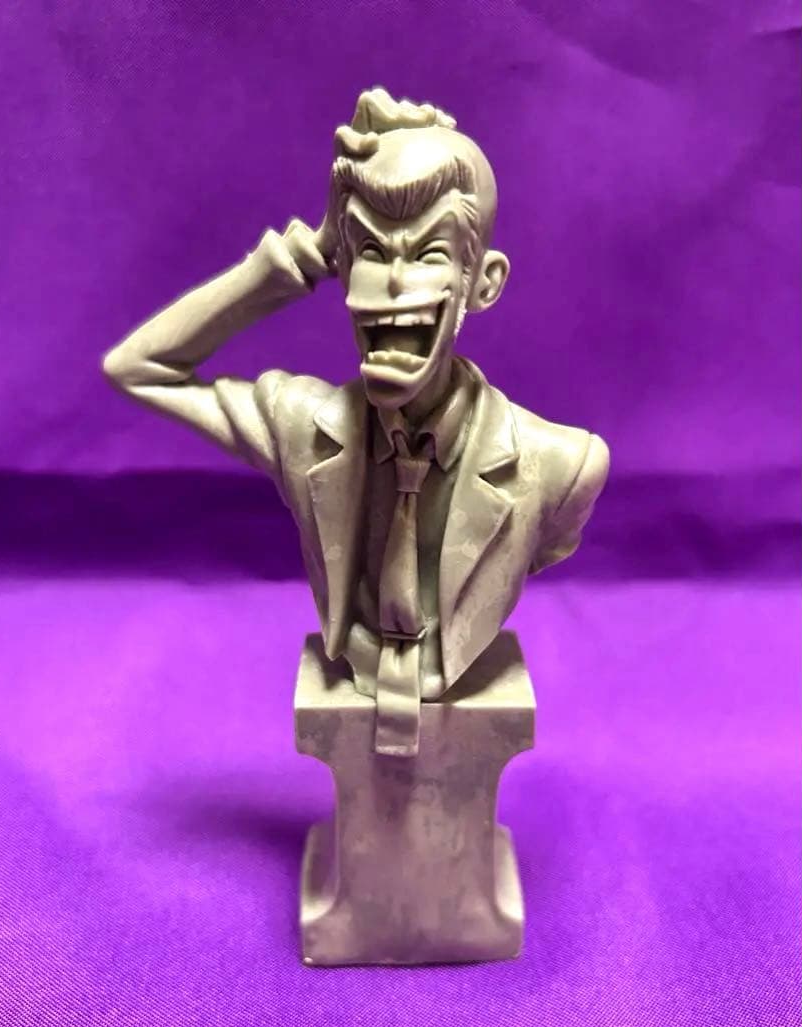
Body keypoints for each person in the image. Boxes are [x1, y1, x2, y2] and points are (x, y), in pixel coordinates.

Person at [104, 88, 609, 758]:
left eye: (428, 254)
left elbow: (540, 548)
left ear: (482, 283)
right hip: (355, 679)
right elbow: (137, 368)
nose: (394, 282)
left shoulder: (562, 465)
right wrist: (305, 256)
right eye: (371, 250)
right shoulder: (300, 426)